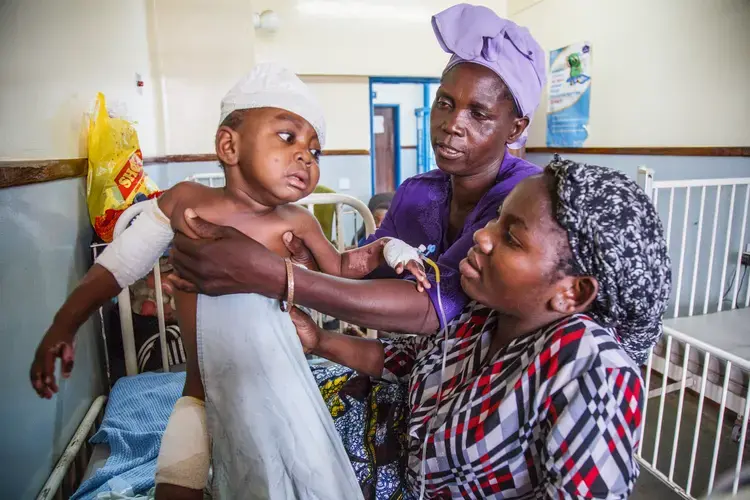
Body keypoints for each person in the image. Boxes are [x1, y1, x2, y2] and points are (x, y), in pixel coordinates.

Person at [166, 4, 548, 496]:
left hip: (473, 407)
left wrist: (271, 275)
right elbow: (355, 270)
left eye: (479, 113)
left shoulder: (524, 201)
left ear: (515, 129)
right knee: (284, 427)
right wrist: (285, 260)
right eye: (445, 104)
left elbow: (436, 308)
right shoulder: (418, 192)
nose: (453, 124)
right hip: (410, 375)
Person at [29, 63, 427, 499]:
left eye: (315, 150)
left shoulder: (297, 222)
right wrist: (63, 325)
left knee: (310, 484)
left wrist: (391, 249)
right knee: (176, 486)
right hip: (199, 399)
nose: (306, 157)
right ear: (228, 145)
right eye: (288, 137)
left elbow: (341, 270)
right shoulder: (186, 203)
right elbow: (119, 266)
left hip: (282, 394)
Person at [288, 157, 672, 498]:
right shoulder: (483, 314)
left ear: (573, 292)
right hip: (384, 441)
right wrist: (319, 340)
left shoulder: (591, 368)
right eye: (496, 218)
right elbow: (400, 360)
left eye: (512, 238)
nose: (481, 236)